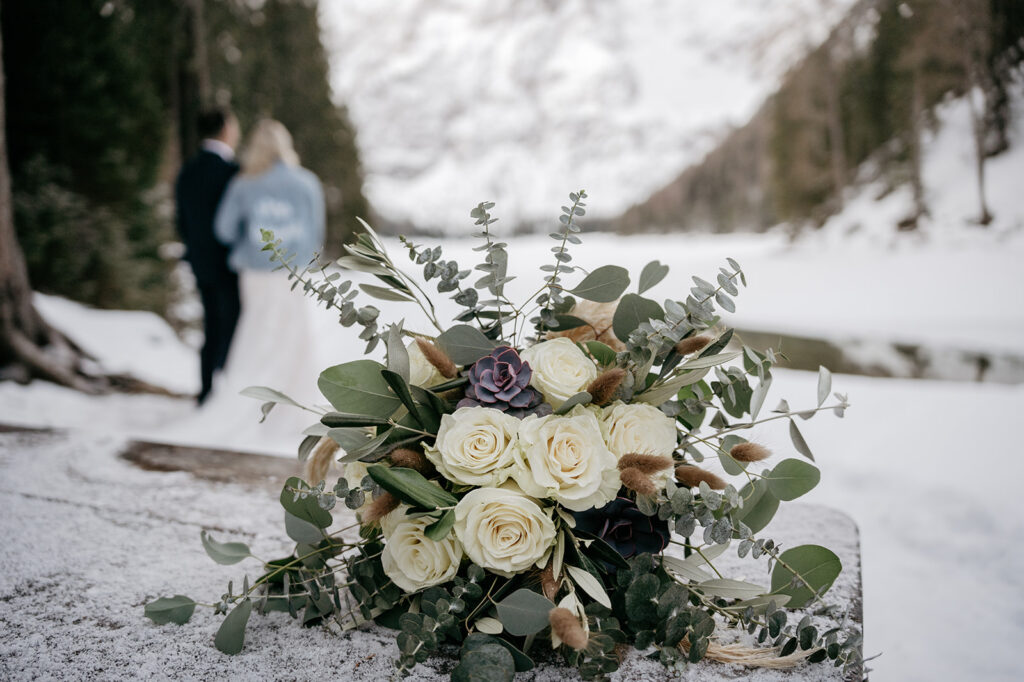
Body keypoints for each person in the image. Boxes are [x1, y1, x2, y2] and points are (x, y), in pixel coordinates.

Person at [176, 119, 326, 454]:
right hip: (293, 274)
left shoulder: (245, 184)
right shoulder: (307, 183)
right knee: (294, 339)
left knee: (256, 336)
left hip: (255, 275)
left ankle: (247, 404)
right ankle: (293, 413)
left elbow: (224, 230)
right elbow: (316, 233)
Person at [175, 108, 242, 405]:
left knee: (211, 325)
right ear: (226, 128)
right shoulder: (232, 172)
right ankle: (230, 391)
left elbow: (181, 221)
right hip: (230, 264)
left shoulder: (187, 170)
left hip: (200, 262)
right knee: (233, 327)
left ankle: (205, 391)